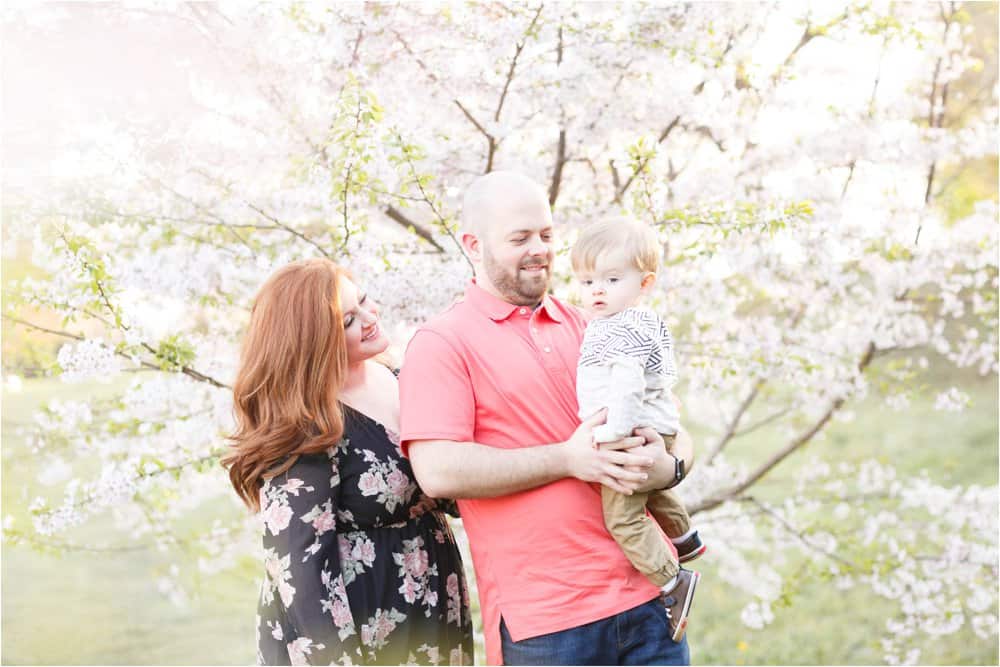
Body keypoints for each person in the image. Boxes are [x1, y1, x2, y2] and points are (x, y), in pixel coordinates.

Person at [399, 171, 695, 665]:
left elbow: (675, 429)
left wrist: (671, 468)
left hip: (649, 601)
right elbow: (438, 471)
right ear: (474, 244)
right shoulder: (442, 343)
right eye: (519, 238)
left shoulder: (595, 322)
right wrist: (566, 459)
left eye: (546, 234)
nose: (539, 249)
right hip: (549, 624)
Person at [222, 258, 473, 666]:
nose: (371, 318)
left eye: (364, 301)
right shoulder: (307, 428)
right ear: (315, 342)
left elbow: (447, 479)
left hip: (427, 599)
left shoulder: (398, 376)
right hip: (359, 623)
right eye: (348, 321)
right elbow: (299, 570)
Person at [572, 218, 705, 643]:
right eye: (588, 279)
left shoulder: (621, 328)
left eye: (612, 279)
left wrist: (613, 433)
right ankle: (685, 537)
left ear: (644, 284)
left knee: (624, 518)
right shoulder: (637, 321)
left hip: (629, 430)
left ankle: (673, 581)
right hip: (655, 426)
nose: (597, 290)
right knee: (654, 489)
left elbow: (628, 384)